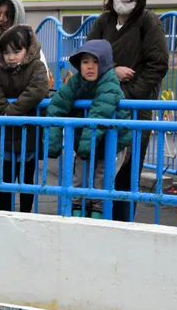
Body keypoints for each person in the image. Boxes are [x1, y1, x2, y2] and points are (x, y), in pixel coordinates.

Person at [85, 0, 170, 222]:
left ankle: (122, 225)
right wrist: (112, 69)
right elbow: (85, 57)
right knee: (95, 170)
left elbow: (158, 64)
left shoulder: (148, 22)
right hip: (101, 107)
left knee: (126, 175)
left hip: (133, 111)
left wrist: (130, 95)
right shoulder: (103, 21)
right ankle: (93, 223)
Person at [46, 40, 133, 218]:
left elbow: (98, 115)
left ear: (106, 64)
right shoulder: (77, 81)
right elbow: (56, 106)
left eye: (96, 62)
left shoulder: (109, 84)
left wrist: (85, 148)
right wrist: (52, 143)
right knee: (78, 180)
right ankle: (77, 215)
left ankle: (97, 219)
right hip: (88, 141)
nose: (90, 67)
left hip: (112, 143)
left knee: (101, 180)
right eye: (85, 62)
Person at [0, 25, 50, 213]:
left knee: (26, 185)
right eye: (6, 52)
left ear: (28, 50)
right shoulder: (0, 70)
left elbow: (38, 88)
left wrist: (10, 111)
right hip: (2, 141)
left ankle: (27, 217)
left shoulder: (37, 66)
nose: (11, 57)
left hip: (27, 139)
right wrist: (5, 110)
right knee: (0, 185)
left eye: (16, 51)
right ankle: (0, 217)